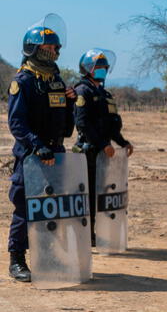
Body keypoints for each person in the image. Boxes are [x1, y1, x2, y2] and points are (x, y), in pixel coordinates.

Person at [7, 15, 76, 282]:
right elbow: (17, 123)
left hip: (55, 154)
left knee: (52, 208)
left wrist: (71, 103)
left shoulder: (55, 81)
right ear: (33, 49)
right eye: (48, 48)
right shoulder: (23, 81)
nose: (54, 52)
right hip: (31, 156)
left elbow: (65, 125)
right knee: (25, 208)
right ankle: (17, 260)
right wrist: (36, 146)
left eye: (56, 48)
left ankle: (49, 255)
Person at [73, 49, 134, 246]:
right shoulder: (82, 91)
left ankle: (97, 233)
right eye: (99, 67)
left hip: (105, 152)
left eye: (105, 67)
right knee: (88, 194)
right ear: (88, 69)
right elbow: (83, 124)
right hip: (89, 151)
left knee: (102, 193)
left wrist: (122, 142)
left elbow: (111, 124)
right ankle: (86, 234)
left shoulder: (104, 93)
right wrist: (102, 144)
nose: (103, 70)